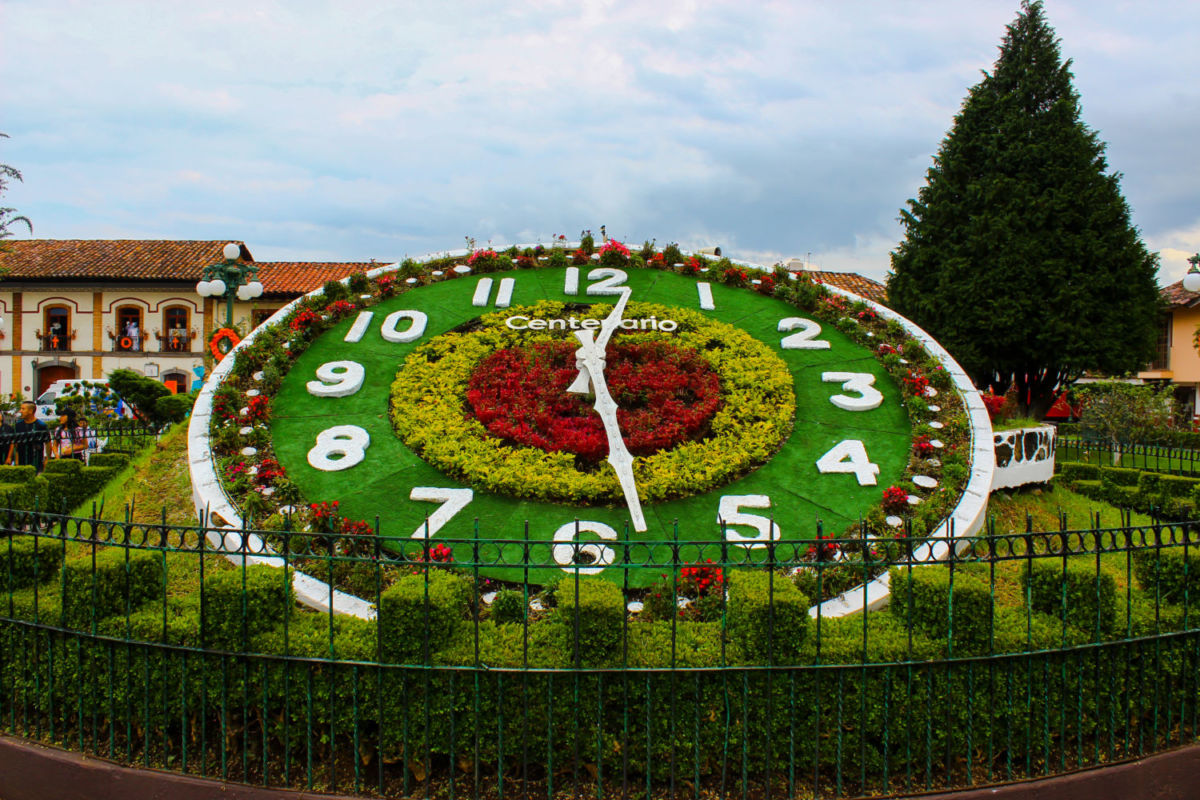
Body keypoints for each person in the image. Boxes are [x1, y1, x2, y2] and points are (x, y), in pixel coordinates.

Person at [10, 400, 49, 472]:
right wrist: (16, 460)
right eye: (20, 408)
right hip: (22, 461)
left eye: (23, 409)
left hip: (36, 460)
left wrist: (47, 459)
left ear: (31, 411)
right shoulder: (18, 425)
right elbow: (15, 444)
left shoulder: (41, 425)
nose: (20, 411)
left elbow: (48, 443)